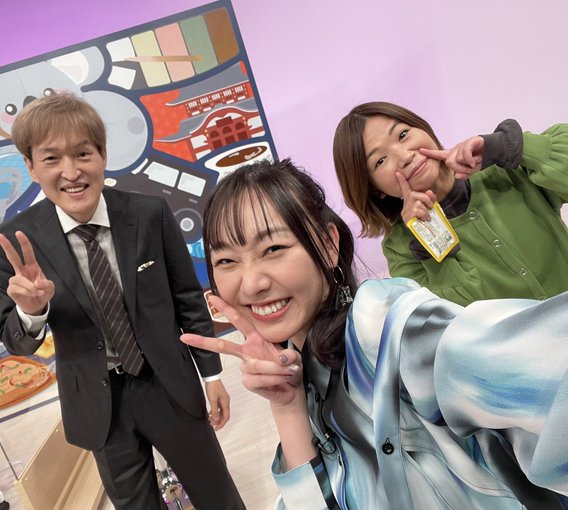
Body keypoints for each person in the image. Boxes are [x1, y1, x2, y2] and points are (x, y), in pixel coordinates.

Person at [181, 158, 568, 509]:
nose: (251, 283)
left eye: (273, 248)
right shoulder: (305, 374)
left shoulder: (383, 326)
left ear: (328, 245)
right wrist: (286, 406)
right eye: (226, 260)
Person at [0, 93, 244, 509]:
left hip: (168, 384)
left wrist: (212, 375)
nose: (71, 172)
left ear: (103, 154)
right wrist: (32, 311)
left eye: (82, 153)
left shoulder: (149, 213)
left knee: (218, 497)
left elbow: (187, 299)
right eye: (51, 158)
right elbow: (16, 340)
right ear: (31, 167)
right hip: (98, 404)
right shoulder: (15, 242)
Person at [333, 101, 568, 305]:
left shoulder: (501, 170)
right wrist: (429, 236)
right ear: (374, 189)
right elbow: (458, 319)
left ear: (422, 127)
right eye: (381, 160)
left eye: (403, 135)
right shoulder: (403, 249)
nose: (405, 156)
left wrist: (507, 147)